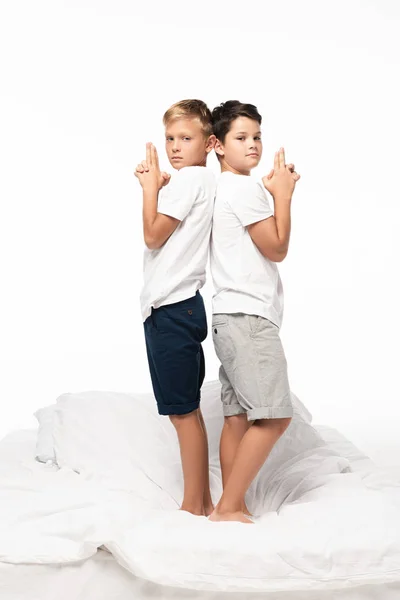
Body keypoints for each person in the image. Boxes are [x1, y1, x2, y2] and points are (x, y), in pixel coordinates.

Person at [208, 100, 301, 523]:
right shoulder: (244, 189)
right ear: (219, 146)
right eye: (241, 138)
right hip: (247, 318)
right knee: (275, 416)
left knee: (237, 418)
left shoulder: (222, 188)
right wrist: (283, 195)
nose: (253, 145)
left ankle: (234, 504)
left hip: (228, 316)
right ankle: (228, 506)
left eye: (257, 136)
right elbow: (276, 247)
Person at [134, 99, 217, 517]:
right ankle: (200, 500)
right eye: (170, 138)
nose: (175, 147)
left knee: (183, 414)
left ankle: (192, 507)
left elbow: (153, 236)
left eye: (186, 138)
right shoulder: (198, 182)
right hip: (184, 306)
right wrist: (161, 188)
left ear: (209, 142)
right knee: (189, 411)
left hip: (172, 307)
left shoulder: (189, 182)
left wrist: (151, 190)